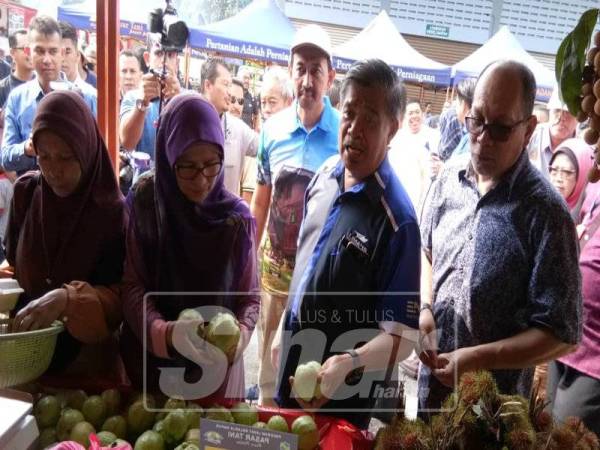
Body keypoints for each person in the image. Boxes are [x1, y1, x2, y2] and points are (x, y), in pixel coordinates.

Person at [418, 60, 582, 412]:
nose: (482, 139)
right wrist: (425, 307)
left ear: (528, 129)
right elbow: (426, 250)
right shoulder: (447, 179)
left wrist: (479, 358)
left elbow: (562, 333)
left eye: (500, 129)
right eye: (476, 121)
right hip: (430, 396)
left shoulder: (547, 214)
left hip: (494, 416)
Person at [273, 59, 420, 429]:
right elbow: (305, 263)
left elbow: (402, 337)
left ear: (392, 130)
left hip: (342, 394)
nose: (354, 128)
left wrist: (351, 363)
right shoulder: (323, 177)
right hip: (290, 367)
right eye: (349, 113)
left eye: (370, 119)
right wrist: (280, 328)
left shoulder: (397, 220)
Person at [120, 93, 259, 401]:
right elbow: (132, 286)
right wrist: (166, 334)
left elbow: (250, 298)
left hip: (214, 376)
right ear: (169, 159)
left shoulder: (236, 219)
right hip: (150, 374)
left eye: (212, 164)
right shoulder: (146, 203)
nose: (202, 180)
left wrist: (239, 339)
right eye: (187, 167)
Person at [7, 90, 127, 376]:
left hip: (86, 368)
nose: (53, 171)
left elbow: (121, 299)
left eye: (65, 157)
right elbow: (14, 265)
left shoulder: (112, 213)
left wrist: (68, 300)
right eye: (44, 156)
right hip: (25, 359)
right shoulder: (26, 194)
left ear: (86, 150)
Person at [251, 24, 339, 406]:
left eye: (316, 70)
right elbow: (261, 199)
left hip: (318, 282)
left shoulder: (342, 133)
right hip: (273, 276)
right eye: (300, 68)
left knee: (306, 377)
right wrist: (247, 258)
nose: (307, 79)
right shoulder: (272, 130)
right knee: (268, 377)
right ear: (291, 72)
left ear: (330, 77)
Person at [1, 16, 97, 174]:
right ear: (28, 52)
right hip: (31, 195)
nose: (47, 59)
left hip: (74, 195)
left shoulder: (86, 98)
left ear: (62, 53)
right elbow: (6, 158)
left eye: (52, 51)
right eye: (39, 51)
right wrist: (28, 148)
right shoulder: (17, 98)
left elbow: (98, 153)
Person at [546, 178, 600, 436]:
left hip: (593, 360)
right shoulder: (594, 191)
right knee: (544, 431)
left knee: (565, 439)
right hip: (566, 338)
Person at [200, 58, 258, 196]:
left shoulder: (238, 128)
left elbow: (264, 147)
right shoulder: (187, 120)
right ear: (208, 85)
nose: (230, 92)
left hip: (224, 214)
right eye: (226, 84)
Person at [120, 38, 181, 160]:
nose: (164, 62)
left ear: (177, 62)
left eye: (170, 55)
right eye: (159, 54)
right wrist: (142, 103)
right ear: (147, 59)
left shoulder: (188, 98)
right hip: (143, 176)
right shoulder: (133, 97)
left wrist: (179, 102)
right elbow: (127, 143)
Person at [240, 67, 293, 206]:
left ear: (289, 102)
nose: (267, 109)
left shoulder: (297, 138)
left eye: (272, 102)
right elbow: (258, 201)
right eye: (263, 103)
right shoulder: (266, 136)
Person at [388, 99, 439, 211]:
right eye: (410, 113)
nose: (414, 116)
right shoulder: (397, 138)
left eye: (417, 112)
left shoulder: (434, 135)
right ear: (405, 116)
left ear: (423, 114)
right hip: (402, 195)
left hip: (426, 196)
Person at [527, 87, 578, 178]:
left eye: (568, 113)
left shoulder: (584, 150)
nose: (561, 118)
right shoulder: (531, 136)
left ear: (578, 119)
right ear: (550, 111)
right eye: (557, 110)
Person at [547, 138, 594, 213]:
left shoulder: (593, 216)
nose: (558, 178)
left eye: (567, 172)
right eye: (554, 169)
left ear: (583, 175)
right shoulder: (541, 206)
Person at [58, 21, 96, 95]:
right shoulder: (40, 93)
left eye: (67, 52)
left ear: (78, 55)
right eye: (57, 52)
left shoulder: (91, 95)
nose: (62, 58)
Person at [0, 29, 33, 109]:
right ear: (12, 53)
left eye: (34, 48)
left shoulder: (44, 84)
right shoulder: (2, 89)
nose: (31, 53)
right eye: (26, 49)